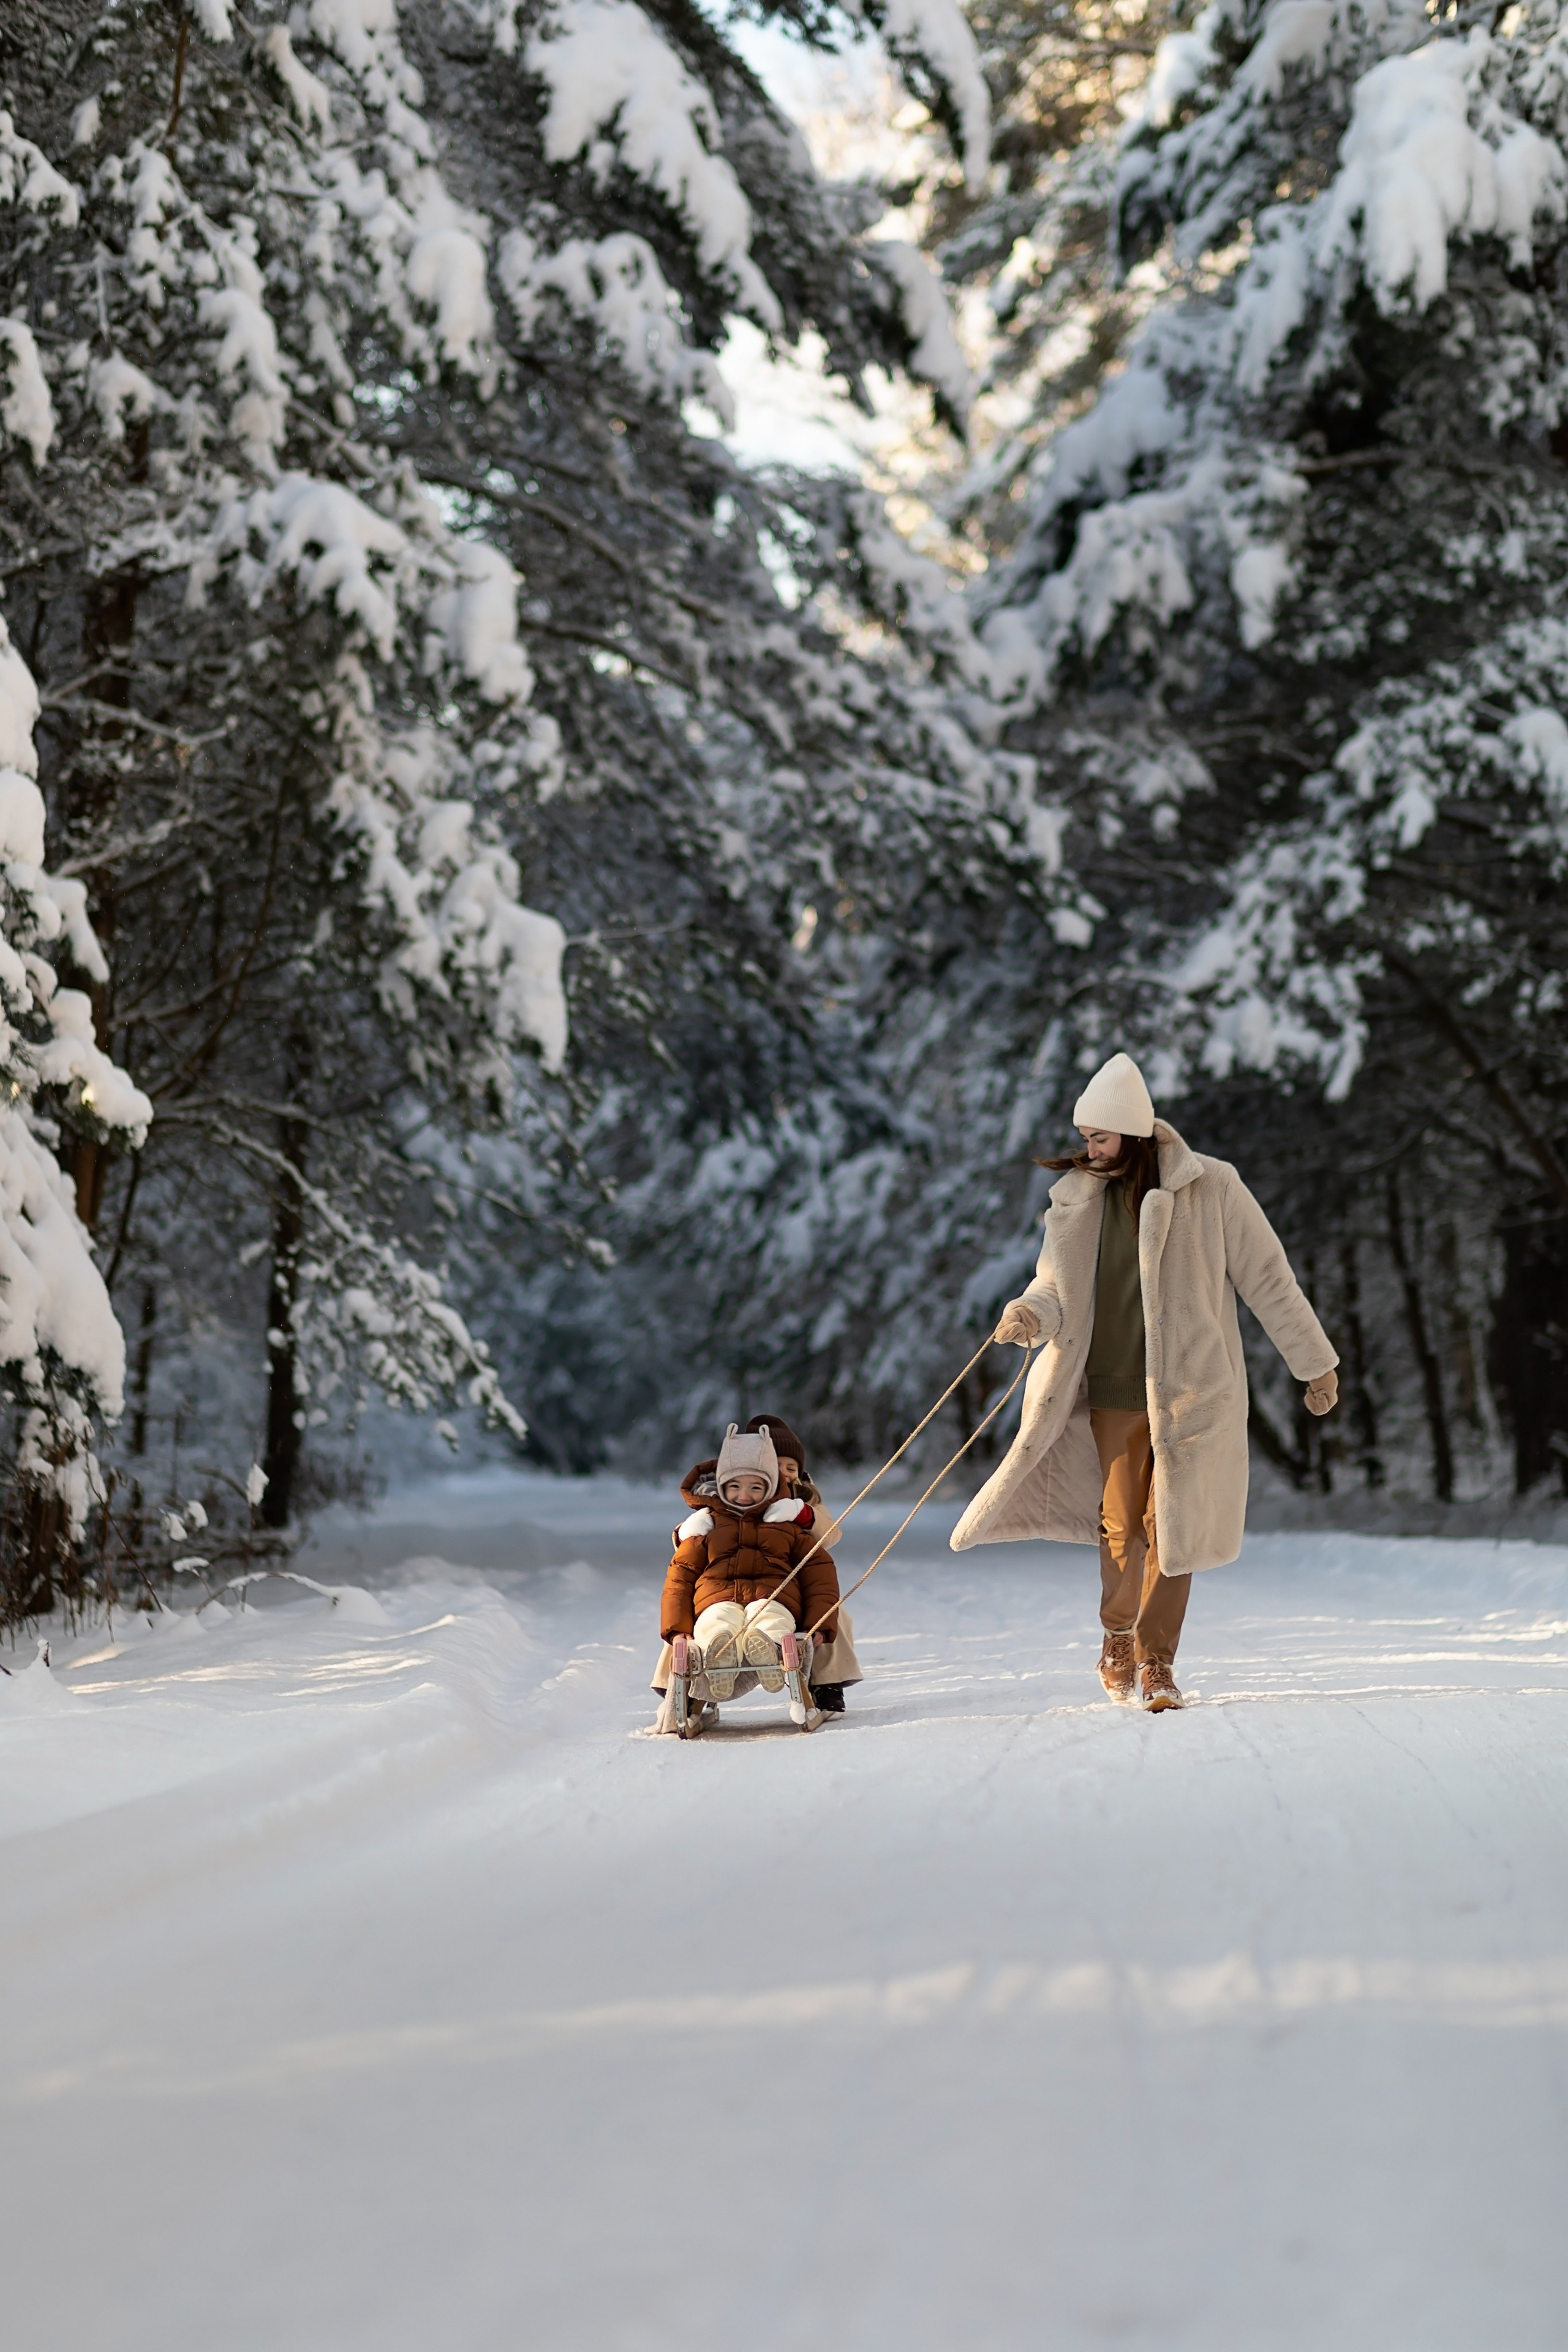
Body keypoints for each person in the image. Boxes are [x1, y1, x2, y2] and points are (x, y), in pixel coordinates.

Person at [952, 1052, 1338, 1712]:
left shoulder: (1212, 1188)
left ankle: (1158, 1663)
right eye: (1084, 1137)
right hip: (1109, 1390)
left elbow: (1269, 1279)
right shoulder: (1077, 1201)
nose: (1088, 1148)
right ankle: (1116, 1637)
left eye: (1097, 1136)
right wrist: (1028, 1313)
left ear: (1130, 1132)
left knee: (1172, 1526)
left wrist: (1315, 1362)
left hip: (1194, 1392)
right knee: (1118, 1525)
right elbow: (1054, 1287)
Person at [650, 1422, 841, 1727]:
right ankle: (712, 1660)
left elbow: (821, 1562)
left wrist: (802, 1515)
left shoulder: (800, 1505)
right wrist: (676, 1629)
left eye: (790, 1467)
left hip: (773, 1593)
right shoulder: (709, 1522)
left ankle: (777, 1654)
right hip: (719, 1596)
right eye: (735, 1487)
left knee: (772, 1616)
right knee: (713, 1622)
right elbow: (680, 1577)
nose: (744, 1495)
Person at [742, 1413, 863, 1713]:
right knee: (699, 1616)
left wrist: (804, 1514)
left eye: (791, 1467)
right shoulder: (735, 1493)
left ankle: (827, 1683)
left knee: (831, 1611)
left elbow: (831, 1534)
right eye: (776, 1465)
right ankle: (682, 1684)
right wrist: (687, 1532)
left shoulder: (805, 1499)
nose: (785, 1473)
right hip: (739, 1583)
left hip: (792, 1585)